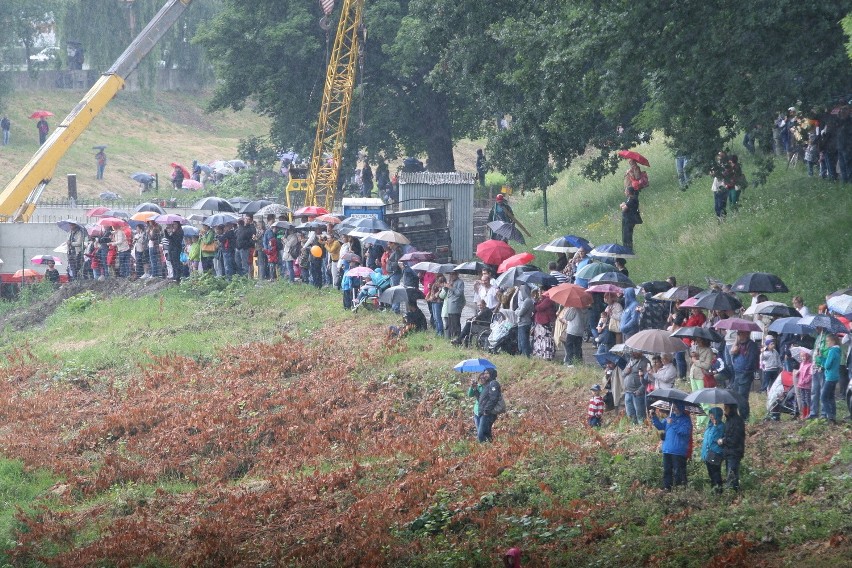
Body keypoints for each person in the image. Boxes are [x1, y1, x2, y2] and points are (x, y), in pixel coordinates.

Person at [651, 402, 693, 490]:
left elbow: (684, 432)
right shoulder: (670, 416)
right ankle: (667, 488)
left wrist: (673, 423)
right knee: (667, 470)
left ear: (681, 407)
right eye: (673, 407)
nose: (674, 408)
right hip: (667, 449)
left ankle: (680, 490)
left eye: (676, 407)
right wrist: (654, 416)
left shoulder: (686, 419)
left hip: (678, 450)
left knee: (679, 472)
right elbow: (660, 426)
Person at [730, 330, 758, 422]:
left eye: (740, 333)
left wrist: (746, 371)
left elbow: (751, 360)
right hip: (737, 373)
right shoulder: (738, 345)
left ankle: (744, 418)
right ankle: (736, 416)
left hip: (745, 374)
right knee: (735, 395)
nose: (739, 335)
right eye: (738, 333)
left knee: (742, 397)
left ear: (747, 333)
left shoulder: (751, 345)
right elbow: (733, 358)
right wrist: (734, 351)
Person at [718, 403, 745, 491]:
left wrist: (723, 441)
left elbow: (735, 439)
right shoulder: (728, 420)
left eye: (726, 407)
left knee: (732, 475)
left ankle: (732, 495)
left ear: (731, 408)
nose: (724, 409)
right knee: (730, 474)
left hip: (734, 452)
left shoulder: (737, 421)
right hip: (728, 451)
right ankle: (733, 493)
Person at [701, 407, 726, 492]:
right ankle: (713, 491)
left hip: (716, 453)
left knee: (716, 473)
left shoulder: (721, 426)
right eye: (710, 415)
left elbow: (715, 438)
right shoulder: (710, 426)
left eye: (713, 415)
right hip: (708, 453)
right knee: (711, 474)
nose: (711, 417)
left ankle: (719, 492)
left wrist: (715, 426)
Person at [622, 351, 651, 424]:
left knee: (640, 415)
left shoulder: (645, 362)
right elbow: (622, 374)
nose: (633, 353)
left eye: (635, 351)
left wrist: (640, 390)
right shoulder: (630, 360)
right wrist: (626, 371)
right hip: (627, 392)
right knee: (630, 414)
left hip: (637, 393)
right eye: (632, 351)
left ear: (641, 352)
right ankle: (633, 429)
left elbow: (648, 379)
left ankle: (642, 430)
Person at [476, 368, 502, 442]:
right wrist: (475, 390)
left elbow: (494, 398)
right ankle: (490, 449)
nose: (485, 375)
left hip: (488, 413)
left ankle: (485, 450)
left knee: (481, 434)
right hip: (483, 412)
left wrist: (486, 410)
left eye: (487, 373)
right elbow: (481, 399)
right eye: (484, 373)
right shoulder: (486, 385)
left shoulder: (493, 383)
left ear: (492, 374)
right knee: (486, 433)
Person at [820, 334, 841, 423]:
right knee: (831, 397)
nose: (826, 343)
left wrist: (821, 358)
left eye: (828, 341)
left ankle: (830, 417)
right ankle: (833, 416)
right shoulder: (838, 350)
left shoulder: (832, 351)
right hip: (835, 376)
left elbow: (827, 366)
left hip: (830, 377)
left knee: (824, 397)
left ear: (833, 341)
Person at [531, 288, 557, 360]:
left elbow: (539, 308)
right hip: (540, 322)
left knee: (545, 339)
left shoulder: (548, 300)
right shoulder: (542, 300)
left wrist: (535, 304)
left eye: (541, 291)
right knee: (539, 339)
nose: (540, 293)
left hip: (545, 322)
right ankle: (540, 353)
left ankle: (546, 354)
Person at [444, 271, 466, 340]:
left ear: (457, 274)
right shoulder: (450, 281)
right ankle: (451, 338)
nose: (451, 276)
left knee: (456, 323)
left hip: (456, 306)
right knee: (450, 324)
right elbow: (447, 293)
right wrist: (446, 287)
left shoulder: (460, 282)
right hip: (449, 306)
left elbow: (459, 293)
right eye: (450, 274)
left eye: (453, 274)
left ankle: (458, 339)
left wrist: (451, 287)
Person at [514, 284, 534, 357]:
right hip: (522, 323)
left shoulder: (528, 301)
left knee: (524, 341)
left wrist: (516, 311)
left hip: (525, 323)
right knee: (521, 341)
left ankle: (526, 355)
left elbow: (520, 313)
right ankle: (523, 355)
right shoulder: (525, 300)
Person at [795, 349, 813, 420]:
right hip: (800, 384)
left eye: (804, 356)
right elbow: (800, 371)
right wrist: (797, 373)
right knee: (802, 399)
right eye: (801, 356)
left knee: (807, 399)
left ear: (807, 356)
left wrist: (805, 381)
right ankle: (804, 414)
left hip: (807, 385)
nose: (803, 358)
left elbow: (810, 375)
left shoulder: (810, 365)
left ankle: (808, 414)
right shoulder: (801, 364)